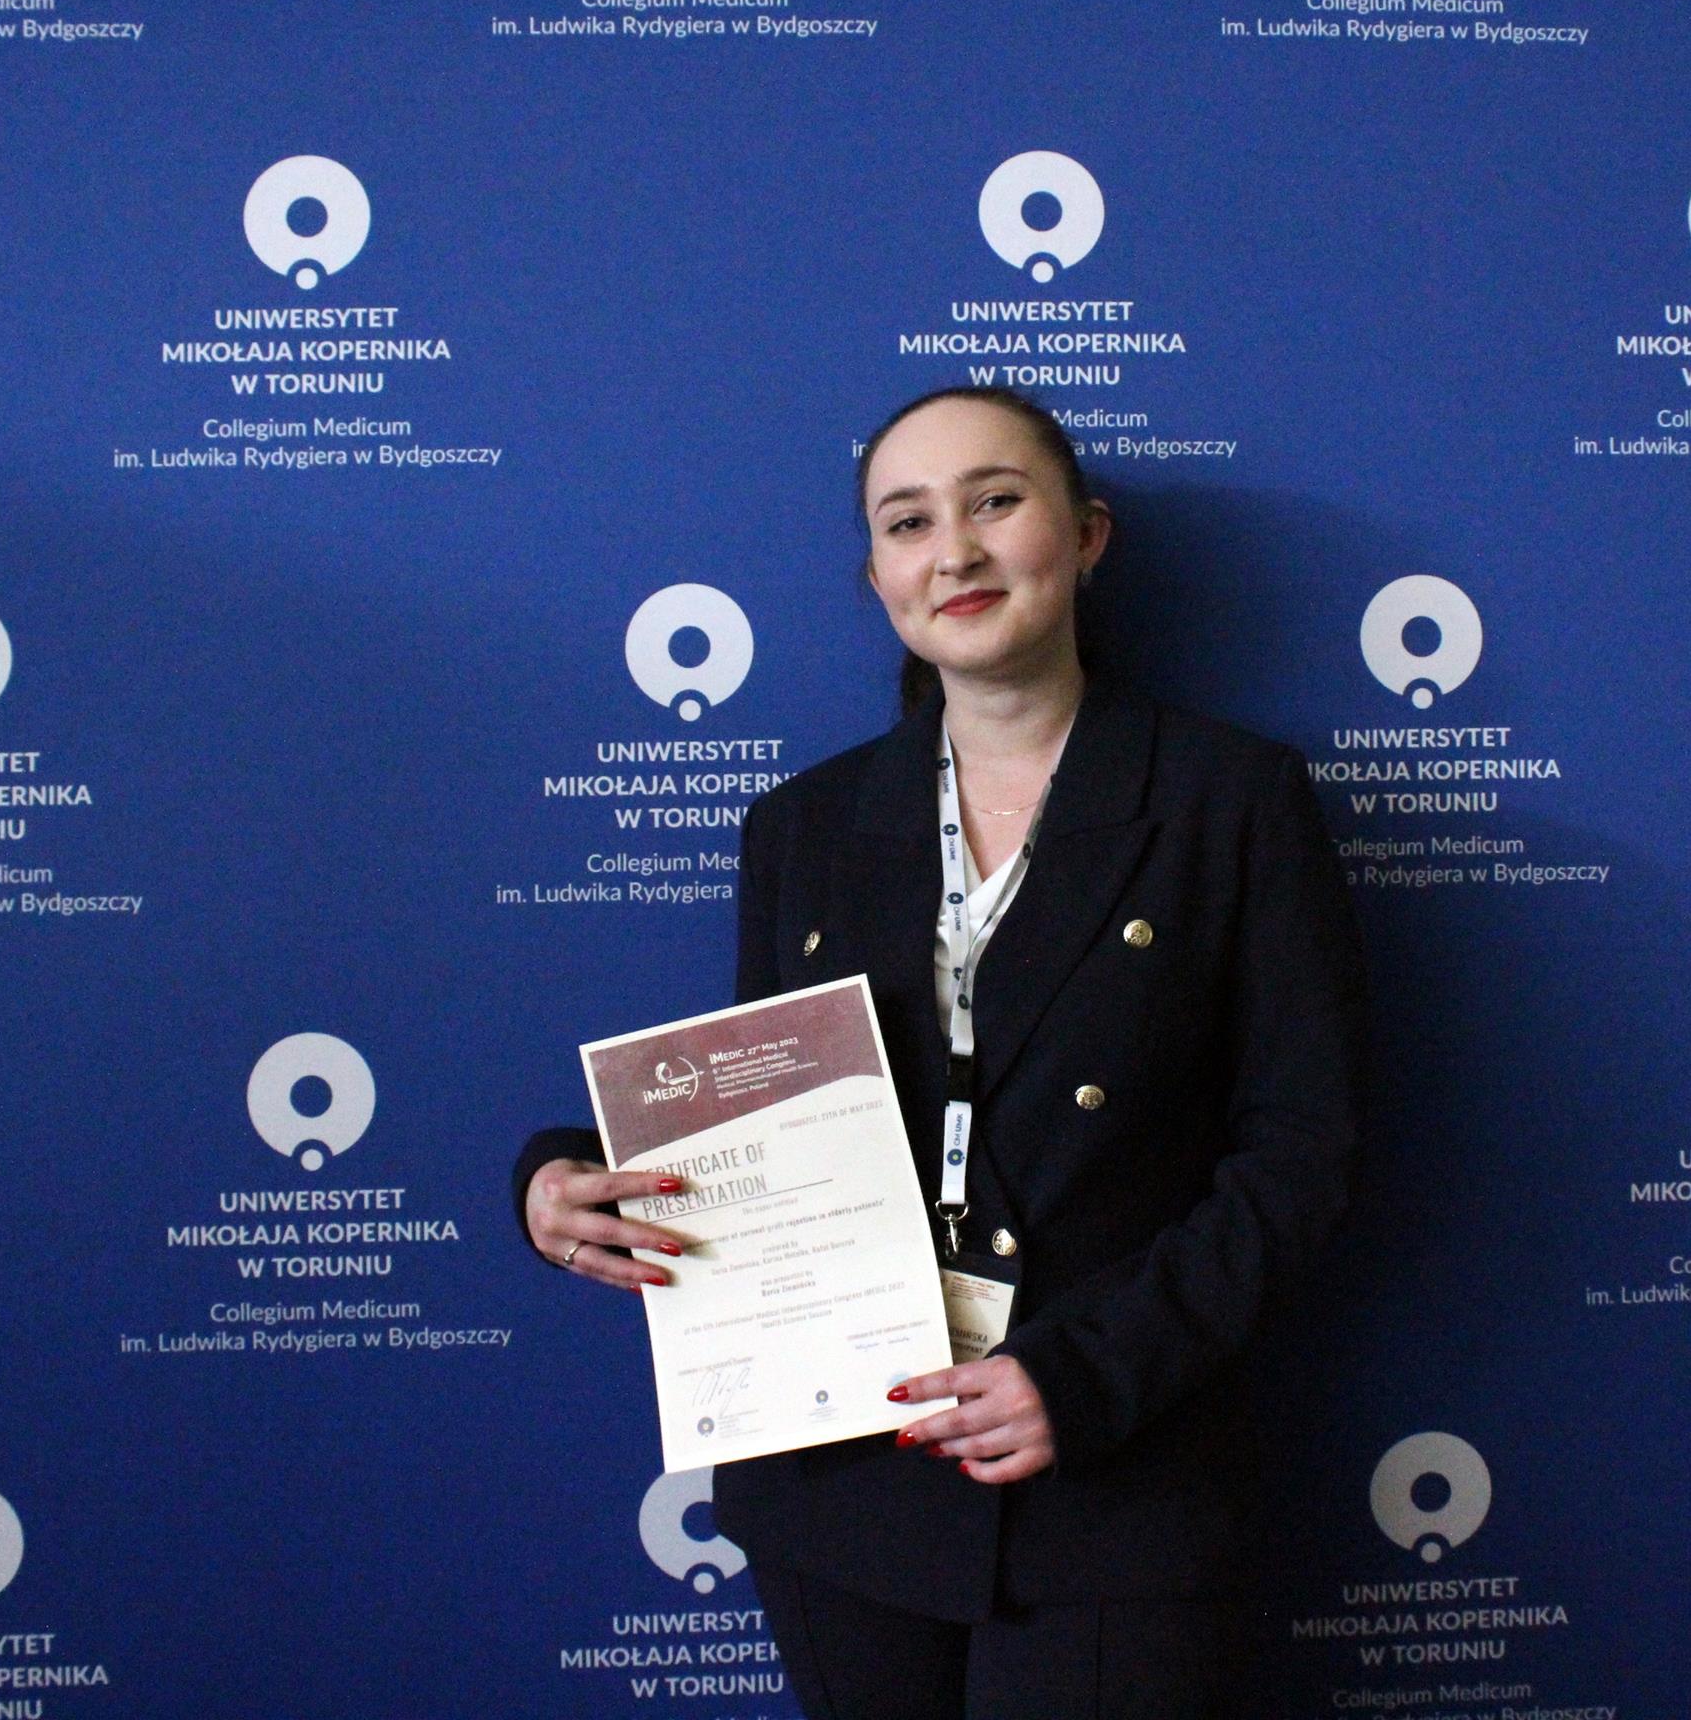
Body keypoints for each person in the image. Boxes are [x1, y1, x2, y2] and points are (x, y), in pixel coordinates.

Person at [515, 386, 1365, 1719]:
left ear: (1086, 535)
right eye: (908, 522)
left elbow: (1302, 1154)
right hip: (845, 1475)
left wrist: (1087, 1377)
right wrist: (565, 1181)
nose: (954, 550)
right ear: (877, 578)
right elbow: (755, 1117)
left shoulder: (1231, 799)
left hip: (1112, 1470)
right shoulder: (800, 826)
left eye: (996, 502)